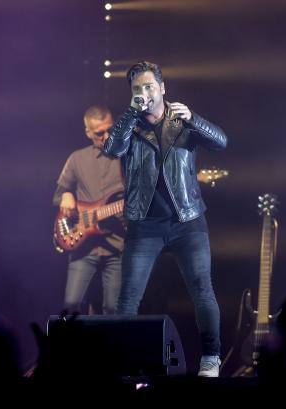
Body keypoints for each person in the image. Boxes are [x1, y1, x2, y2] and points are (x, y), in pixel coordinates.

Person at [103, 61, 228, 377]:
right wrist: (130, 114)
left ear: (162, 88)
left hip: (187, 221)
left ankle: (211, 359)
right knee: (129, 296)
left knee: (202, 288)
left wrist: (195, 121)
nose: (143, 93)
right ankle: (123, 363)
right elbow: (112, 150)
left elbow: (221, 142)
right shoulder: (130, 125)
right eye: (137, 89)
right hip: (145, 224)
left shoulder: (183, 120)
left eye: (148, 87)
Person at [52, 106, 124, 315]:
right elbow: (58, 194)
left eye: (110, 129)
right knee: (71, 305)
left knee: (113, 309)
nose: (106, 136)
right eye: (99, 133)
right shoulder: (77, 159)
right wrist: (66, 195)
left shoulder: (128, 157)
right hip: (83, 247)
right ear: (88, 133)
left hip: (117, 247)